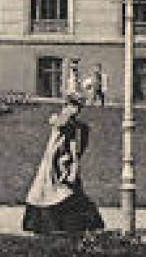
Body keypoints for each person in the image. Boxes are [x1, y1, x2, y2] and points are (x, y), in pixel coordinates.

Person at [22, 93, 106, 234]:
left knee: (68, 192)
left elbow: (75, 149)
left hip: (63, 162)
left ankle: (78, 224)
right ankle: (47, 225)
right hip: (54, 163)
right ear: (66, 106)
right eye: (74, 106)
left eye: (78, 106)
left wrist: (72, 166)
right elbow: (57, 122)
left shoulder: (75, 125)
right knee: (53, 191)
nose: (77, 109)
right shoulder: (63, 120)